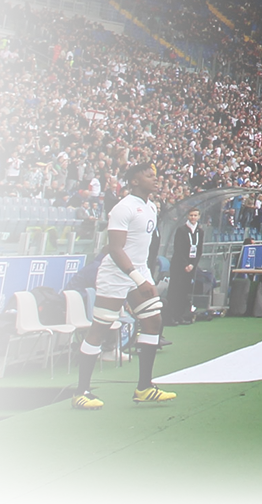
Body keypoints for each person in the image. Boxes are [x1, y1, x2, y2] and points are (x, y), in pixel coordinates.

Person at [72, 163, 176, 410]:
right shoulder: (123, 208)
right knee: (100, 328)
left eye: (155, 174)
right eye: (149, 176)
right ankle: (81, 391)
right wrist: (138, 278)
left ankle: (144, 387)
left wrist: (143, 274)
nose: (155, 178)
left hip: (138, 270)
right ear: (135, 181)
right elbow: (115, 249)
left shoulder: (150, 206)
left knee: (153, 322)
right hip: (117, 274)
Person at [167, 207, 204, 325]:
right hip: (179, 265)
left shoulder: (200, 231)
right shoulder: (181, 230)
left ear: (199, 217)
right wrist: (185, 264)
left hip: (191, 266)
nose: (193, 218)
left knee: (185, 291)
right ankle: (171, 316)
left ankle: (182, 315)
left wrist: (193, 265)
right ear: (188, 216)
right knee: (175, 291)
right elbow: (178, 249)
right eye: (191, 215)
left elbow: (199, 250)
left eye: (195, 215)